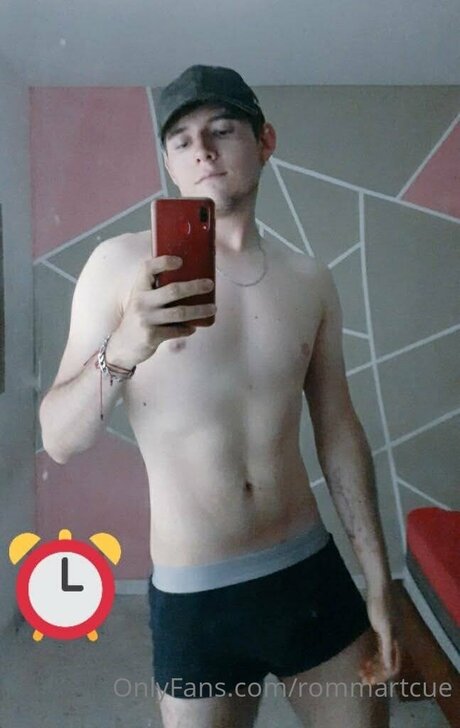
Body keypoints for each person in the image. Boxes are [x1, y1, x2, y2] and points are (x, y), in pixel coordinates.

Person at [39, 64, 401, 727]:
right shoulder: (119, 267)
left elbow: (339, 430)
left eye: (222, 129)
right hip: (196, 596)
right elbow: (59, 440)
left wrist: (378, 578)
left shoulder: (309, 280)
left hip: (308, 571)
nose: (201, 150)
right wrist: (125, 346)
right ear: (169, 163)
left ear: (265, 142)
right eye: (181, 140)